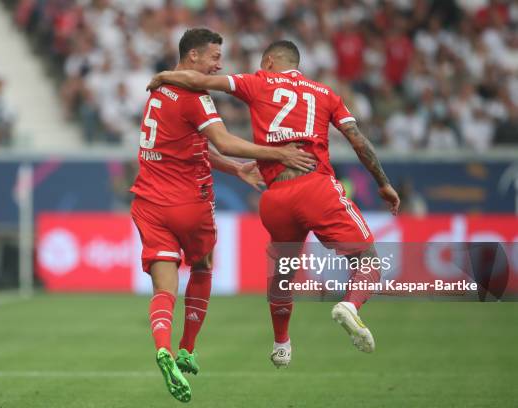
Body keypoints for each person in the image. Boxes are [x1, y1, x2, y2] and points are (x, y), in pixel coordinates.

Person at [148, 40, 400, 368]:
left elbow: (198, 81)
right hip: (315, 185)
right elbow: (358, 140)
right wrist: (383, 183)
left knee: (283, 271)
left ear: (268, 62)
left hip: (275, 198)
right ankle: (350, 306)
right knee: (368, 260)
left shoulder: (257, 82)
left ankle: (282, 343)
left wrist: (164, 75)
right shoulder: (326, 94)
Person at [130, 30, 316, 402]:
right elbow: (223, 141)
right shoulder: (196, 97)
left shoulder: (158, 90)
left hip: (147, 202)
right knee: (202, 267)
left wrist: (234, 169)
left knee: (164, 289)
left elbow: (189, 148)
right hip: (189, 203)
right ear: (194, 56)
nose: (220, 64)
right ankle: (186, 348)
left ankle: (162, 347)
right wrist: (277, 154)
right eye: (215, 57)